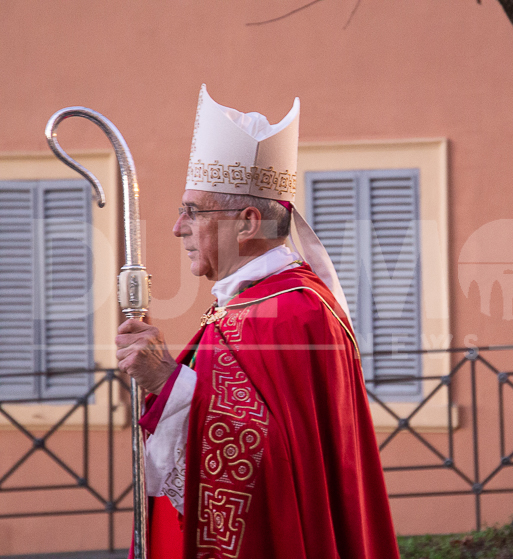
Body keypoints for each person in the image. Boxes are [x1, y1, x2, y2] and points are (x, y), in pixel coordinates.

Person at [114, 85, 399, 559]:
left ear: (247, 224)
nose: (177, 228)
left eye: (192, 211)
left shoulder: (294, 313)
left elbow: (268, 458)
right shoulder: (251, 305)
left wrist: (166, 381)